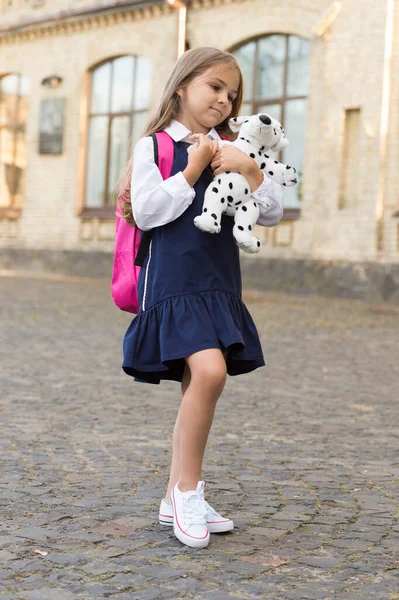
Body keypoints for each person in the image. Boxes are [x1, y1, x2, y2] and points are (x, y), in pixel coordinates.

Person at [120, 47, 284, 549]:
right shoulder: (155, 146)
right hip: (173, 282)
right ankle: (186, 490)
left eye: (232, 94)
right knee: (210, 372)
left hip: (218, 283)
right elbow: (146, 212)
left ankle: (177, 495)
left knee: (201, 378)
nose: (224, 100)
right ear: (182, 86)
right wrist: (192, 169)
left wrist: (249, 169)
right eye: (214, 86)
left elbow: (273, 210)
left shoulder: (234, 146)